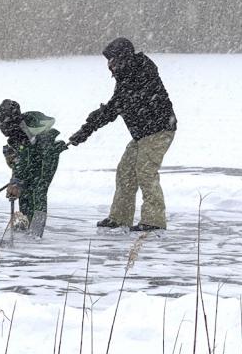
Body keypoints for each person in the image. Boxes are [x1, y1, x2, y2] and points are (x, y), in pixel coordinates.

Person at [68, 37, 177, 231]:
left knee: (145, 172)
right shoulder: (126, 76)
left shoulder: (141, 72)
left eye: (112, 60)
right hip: (142, 134)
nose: (109, 65)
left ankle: (154, 221)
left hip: (159, 130)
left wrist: (89, 127)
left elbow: (116, 106)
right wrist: (86, 130)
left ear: (123, 58)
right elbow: (115, 106)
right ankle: (119, 218)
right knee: (125, 172)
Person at [0, 99, 68, 238]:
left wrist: (16, 181)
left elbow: (25, 158)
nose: (1, 126)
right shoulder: (16, 132)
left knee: (38, 190)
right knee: (26, 189)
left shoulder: (26, 130)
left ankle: (36, 230)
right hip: (35, 159)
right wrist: (16, 178)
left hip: (45, 158)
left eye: (3, 122)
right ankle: (27, 221)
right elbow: (21, 160)